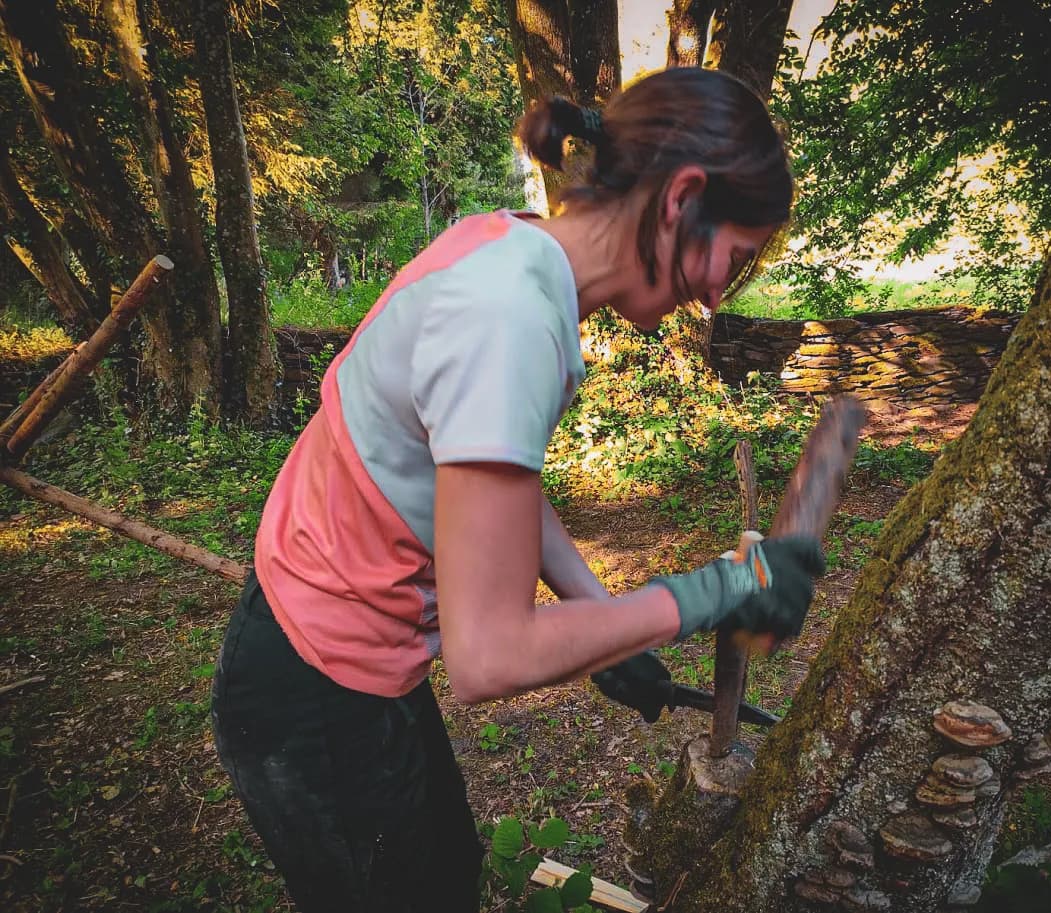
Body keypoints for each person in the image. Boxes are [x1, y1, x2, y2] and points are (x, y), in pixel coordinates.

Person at [210, 66, 825, 913]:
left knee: (447, 874)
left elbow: (492, 489)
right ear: (682, 197)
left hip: (344, 650)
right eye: (737, 257)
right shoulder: (506, 318)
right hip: (312, 680)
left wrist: (602, 622)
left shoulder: (512, 253)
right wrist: (714, 591)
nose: (720, 291)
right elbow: (490, 655)